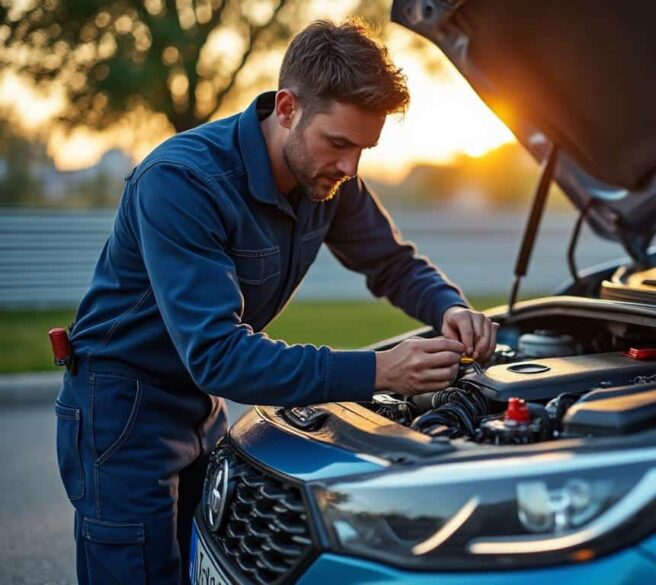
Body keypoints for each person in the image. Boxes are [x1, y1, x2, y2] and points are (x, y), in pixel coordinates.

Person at [53, 20, 497, 584]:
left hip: (200, 404)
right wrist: (380, 371)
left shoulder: (330, 180)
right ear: (287, 107)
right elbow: (220, 355)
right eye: (338, 143)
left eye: (364, 148)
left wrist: (449, 307)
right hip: (120, 409)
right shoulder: (182, 181)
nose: (350, 167)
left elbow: (391, 262)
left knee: (208, 566)